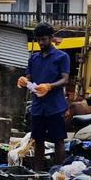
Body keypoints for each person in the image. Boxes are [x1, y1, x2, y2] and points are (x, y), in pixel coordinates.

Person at [22, 23, 70, 171]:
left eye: (44, 39)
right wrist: (24, 81)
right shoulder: (34, 58)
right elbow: (28, 77)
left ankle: (57, 172)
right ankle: (37, 173)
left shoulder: (62, 57)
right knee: (38, 139)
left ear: (51, 38)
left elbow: (65, 79)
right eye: (38, 40)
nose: (41, 43)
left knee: (58, 140)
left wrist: (49, 86)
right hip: (38, 106)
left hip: (55, 106)